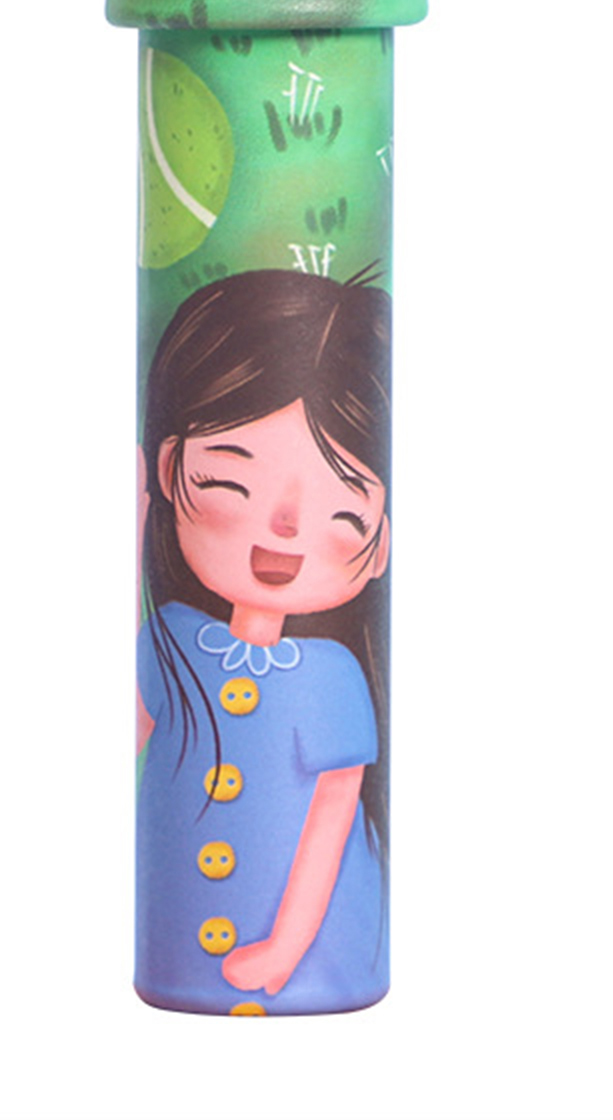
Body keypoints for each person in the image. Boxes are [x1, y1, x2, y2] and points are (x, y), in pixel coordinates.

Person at [135, 267, 392, 1014]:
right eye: (229, 482)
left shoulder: (331, 676)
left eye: (342, 510)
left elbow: (332, 817)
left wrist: (285, 948)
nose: (281, 530)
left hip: (314, 960)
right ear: (168, 468)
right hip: (175, 947)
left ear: (380, 542)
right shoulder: (172, 638)